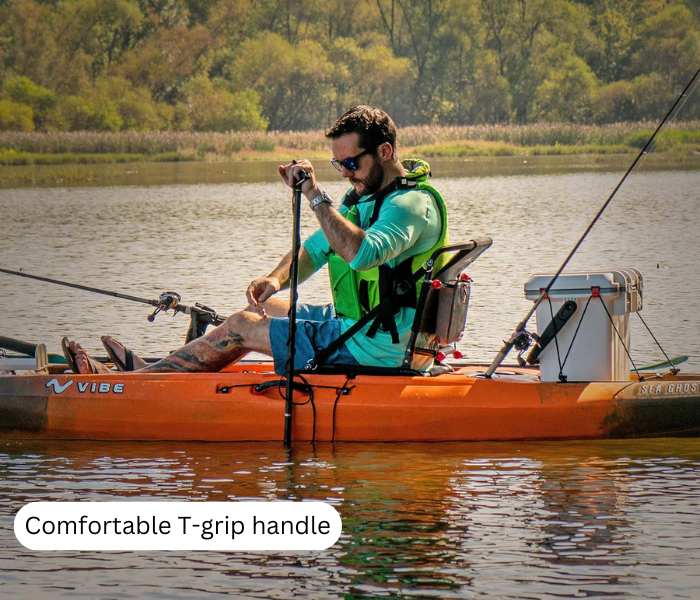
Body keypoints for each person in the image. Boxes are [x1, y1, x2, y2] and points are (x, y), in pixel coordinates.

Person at [65, 105, 449, 376]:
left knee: (240, 326)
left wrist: (315, 196)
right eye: (338, 165)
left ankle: (139, 383)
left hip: (378, 349)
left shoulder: (409, 205)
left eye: (352, 163)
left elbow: (363, 254)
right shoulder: (370, 198)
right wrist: (274, 279)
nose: (346, 174)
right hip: (366, 327)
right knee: (272, 306)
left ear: (385, 151)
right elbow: (314, 251)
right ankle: (162, 368)